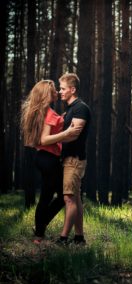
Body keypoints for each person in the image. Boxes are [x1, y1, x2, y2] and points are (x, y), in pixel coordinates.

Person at [21, 80, 81, 244]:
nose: (57, 92)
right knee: (64, 196)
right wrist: (67, 132)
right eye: (54, 90)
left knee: (47, 196)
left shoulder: (44, 112)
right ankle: (41, 225)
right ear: (48, 94)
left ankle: (39, 235)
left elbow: (48, 131)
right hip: (48, 159)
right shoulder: (48, 114)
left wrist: (61, 121)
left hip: (42, 158)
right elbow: (45, 139)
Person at [56, 73, 91, 245]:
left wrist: (51, 139)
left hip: (74, 160)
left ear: (72, 89)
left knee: (68, 199)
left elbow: (74, 135)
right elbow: (67, 134)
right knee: (75, 199)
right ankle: (79, 237)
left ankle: (63, 238)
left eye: (62, 88)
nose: (59, 91)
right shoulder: (70, 109)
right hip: (69, 159)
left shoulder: (80, 108)